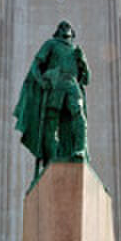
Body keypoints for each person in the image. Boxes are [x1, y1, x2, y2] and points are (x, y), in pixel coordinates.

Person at [14, 20, 89, 182]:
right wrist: (41, 81)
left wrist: (83, 62)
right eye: (62, 26)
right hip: (55, 85)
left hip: (72, 85)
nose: (65, 27)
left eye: (68, 26)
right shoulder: (51, 44)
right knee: (51, 122)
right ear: (58, 31)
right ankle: (51, 158)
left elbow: (87, 79)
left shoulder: (76, 50)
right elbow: (36, 65)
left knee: (78, 114)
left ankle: (79, 149)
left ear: (72, 32)